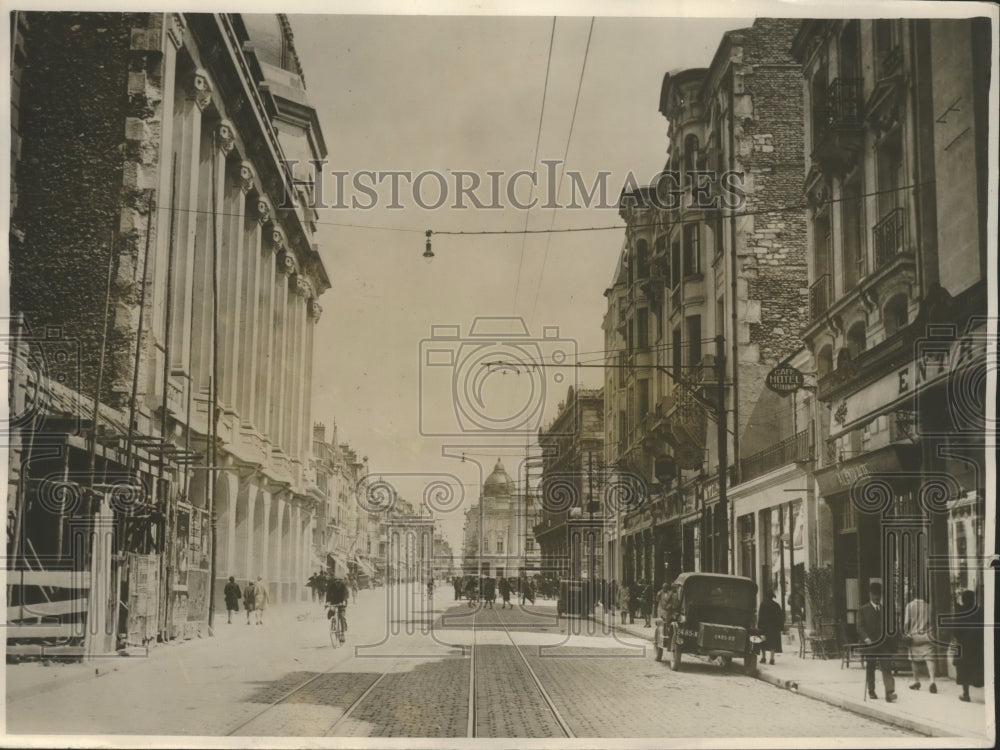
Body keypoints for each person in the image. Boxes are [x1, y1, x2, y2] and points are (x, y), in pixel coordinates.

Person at [857, 581, 897, 702]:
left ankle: (889, 692)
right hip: (870, 644)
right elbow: (860, 627)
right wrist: (866, 639)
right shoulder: (863, 610)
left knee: (886, 667)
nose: (877, 597)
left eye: (879, 594)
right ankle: (871, 690)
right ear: (870, 594)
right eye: (874, 594)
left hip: (884, 645)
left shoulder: (885, 610)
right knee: (871, 667)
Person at [951, 589, 984, 702]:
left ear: (963, 600)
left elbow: (955, 631)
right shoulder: (980, 611)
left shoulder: (960, 612)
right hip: (978, 645)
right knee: (978, 666)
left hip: (963, 645)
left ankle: (966, 694)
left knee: (963, 668)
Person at [903, 588, 937, 693]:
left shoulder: (909, 606)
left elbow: (906, 623)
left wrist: (906, 633)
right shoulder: (929, 606)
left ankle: (916, 681)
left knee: (913, 659)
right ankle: (932, 681)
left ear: (913, 595)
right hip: (927, 635)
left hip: (914, 636)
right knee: (930, 657)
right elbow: (932, 622)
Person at [757, 590, 785, 665]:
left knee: (763, 642)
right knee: (773, 642)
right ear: (772, 597)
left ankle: (763, 658)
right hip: (774, 628)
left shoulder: (763, 604)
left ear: (766, 596)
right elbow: (780, 617)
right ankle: (772, 659)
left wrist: (759, 626)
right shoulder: (776, 605)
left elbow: (760, 616)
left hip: (764, 627)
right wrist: (781, 627)